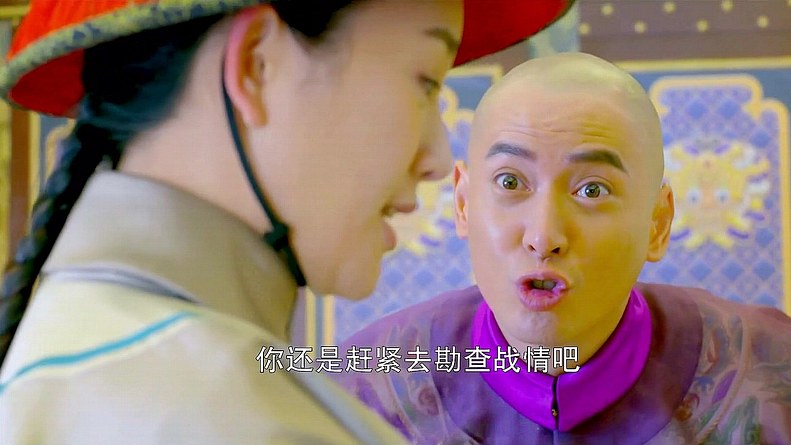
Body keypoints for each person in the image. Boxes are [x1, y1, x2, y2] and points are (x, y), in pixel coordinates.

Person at [0, 1, 574, 443]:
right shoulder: (223, 417)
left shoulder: (89, 353)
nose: (436, 158)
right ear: (257, 65)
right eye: (424, 81)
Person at [333, 53, 791, 445]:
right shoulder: (366, 389)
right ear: (464, 205)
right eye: (510, 182)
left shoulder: (774, 376)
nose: (544, 236)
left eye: (592, 190)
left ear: (657, 223)